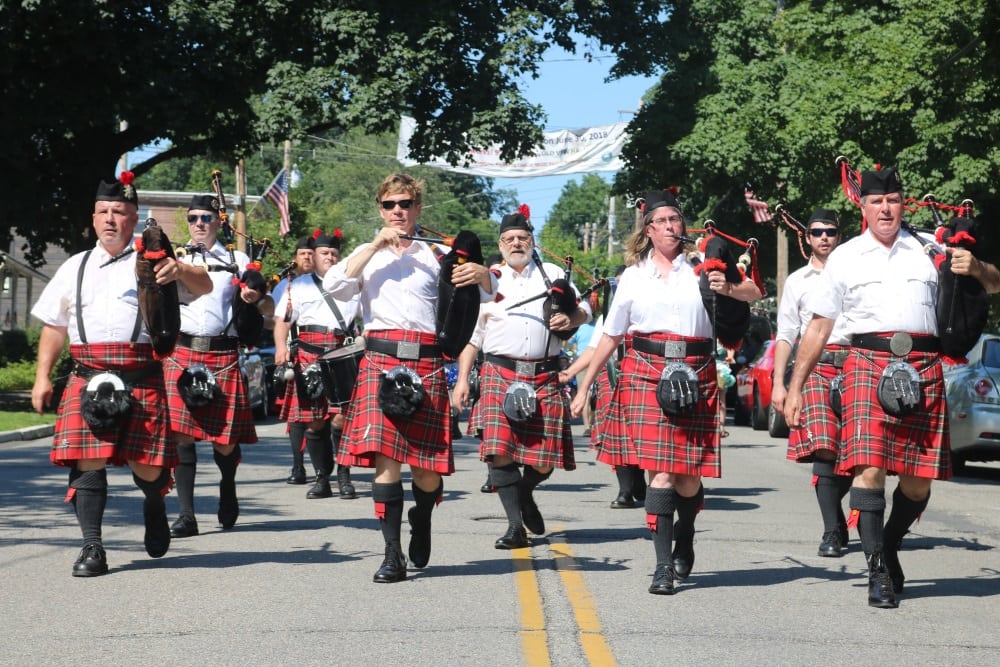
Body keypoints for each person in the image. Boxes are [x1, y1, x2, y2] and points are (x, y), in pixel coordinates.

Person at [783, 166, 975, 609]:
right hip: (866, 364)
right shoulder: (846, 256)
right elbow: (817, 327)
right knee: (868, 468)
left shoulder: (931, 250)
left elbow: (990, 286)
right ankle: (877, 571)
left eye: (893, 200)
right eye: (876, 201)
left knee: (917, 484)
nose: (885, 208)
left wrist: (977, 266)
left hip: (924, 365)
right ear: (863, 208)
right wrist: (796, 387)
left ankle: (888, 545)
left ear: (902, 203)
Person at [571, 189, 762, 595]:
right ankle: (662, 566)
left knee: (687, 478)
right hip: (644, 370)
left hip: (696, 368)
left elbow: (754, 293)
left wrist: (725, 286)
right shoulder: (633, 275)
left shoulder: (702, 265)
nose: (671, 227)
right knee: (659, 473)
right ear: (648, 228)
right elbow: (611, 334)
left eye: (676, 219)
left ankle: (686, 533)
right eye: (662, 221)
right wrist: (584, 384)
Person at [30, 174, 212, 576]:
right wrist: (43, 376)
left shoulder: (154, 262)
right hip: (88, 375)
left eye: (121, 212)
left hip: (140, 374)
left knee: (148, 467)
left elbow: (204, 286)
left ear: (134, 219)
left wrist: (179, 269)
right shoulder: (74, 267)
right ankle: (92, 547)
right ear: (93, 218)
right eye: (104, 212)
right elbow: (54, 326)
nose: (111, 219)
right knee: (87, 461)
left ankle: (153, 503)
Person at [323, 172, 496, 583]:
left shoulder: (438, 254)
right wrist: (373, 247)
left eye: (405, 204)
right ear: (379, 209)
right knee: (386, 462)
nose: (397, 211)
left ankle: (422, 515)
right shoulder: (367, 253)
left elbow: (489, 294)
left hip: (426, 363)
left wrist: (483, 274)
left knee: (426, 471)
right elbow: (335, 287)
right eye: (389, 205)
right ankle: (391, 554)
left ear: (418, 208)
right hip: (379, 363)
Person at [452, 208, 590, 549]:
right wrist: (462, 379)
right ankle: (515, 526)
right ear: (500, 245)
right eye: (510, 239)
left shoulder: (553, 274)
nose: (517, 243)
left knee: (544, 462)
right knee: (500, 452)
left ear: (532, 242)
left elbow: (585, 310)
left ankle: (524, 493)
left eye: (523, 238)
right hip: (500, 372)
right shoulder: (488, 280)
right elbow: (473, 336)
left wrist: (571, 316)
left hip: (544, 374)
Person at [165, 195, 264, 538]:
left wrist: (252, 297)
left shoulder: (237, 260)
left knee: (223, 441)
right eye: (193, 218)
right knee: (181, 435)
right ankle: (187, 514)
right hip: (182, 352)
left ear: (219, 222)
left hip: (222, 354)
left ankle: (227, 484)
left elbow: (253, 301)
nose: (199, 224)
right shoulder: (174, 258)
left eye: (206, 217)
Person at [770, 209, 853, 558]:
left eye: (830, 232)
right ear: (806, 238)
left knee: (854, 450)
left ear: (839, 236)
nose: (824, 237)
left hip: (855, 366)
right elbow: (787, 335)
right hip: (814, 366)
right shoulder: (798, 282)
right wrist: (780, 383)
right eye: (817, 232)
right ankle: (832, 529)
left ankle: (842, 516)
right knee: (824, 447)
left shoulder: (856, 275)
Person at [274, 230, 360, 499]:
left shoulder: (352, 285)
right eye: (325, 253)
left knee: (341, 419)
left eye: (334, 254)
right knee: (313, 422)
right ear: (315, 256)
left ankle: (344, 477)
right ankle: (322, 479)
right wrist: (280, 347)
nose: (330, 258)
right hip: (308, 355)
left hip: (342, 356)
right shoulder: (297, 285)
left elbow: (368, 319)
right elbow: (284, 321)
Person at [560, 265, 645, 509]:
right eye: (618, 285)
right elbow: (595, 348)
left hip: (646, 374)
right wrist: (570, 373)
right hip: (614, 375)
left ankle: (640, 482)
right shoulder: (608, 313)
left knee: (641, 435)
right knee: (618, 435)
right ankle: (626, 490)